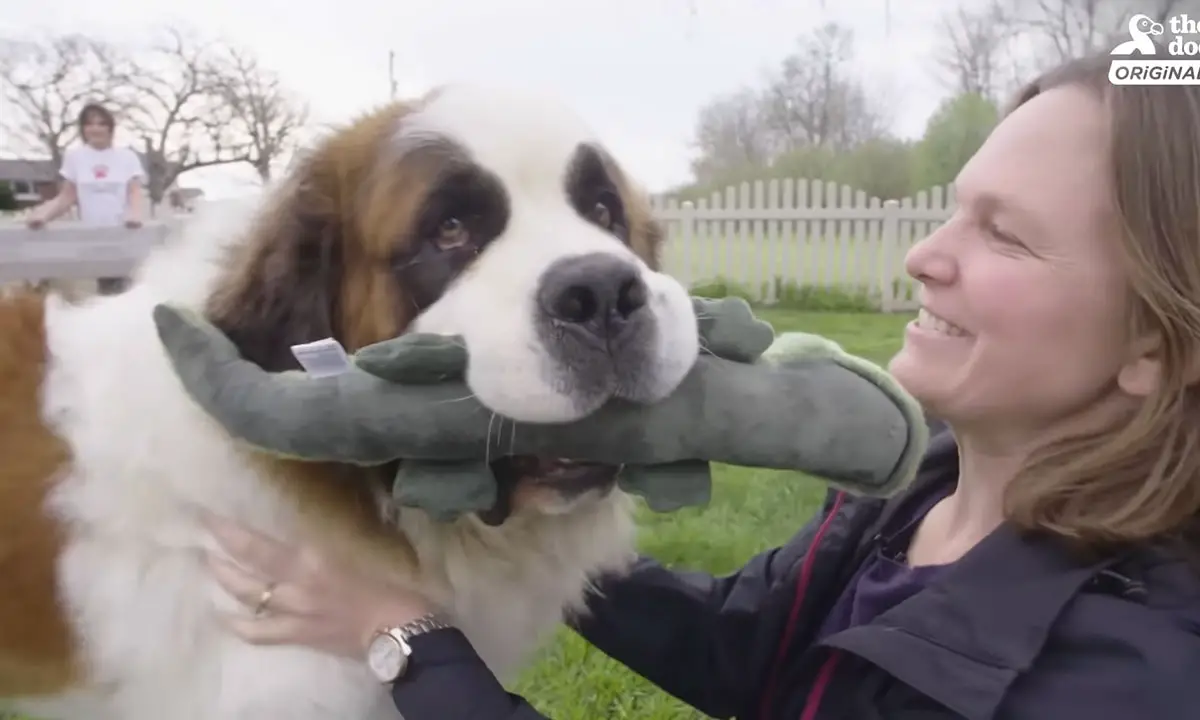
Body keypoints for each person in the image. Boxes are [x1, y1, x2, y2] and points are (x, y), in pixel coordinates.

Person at [201, 52, 1200, 719]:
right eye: (954, 210)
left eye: (1006, 236)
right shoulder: (920, 494)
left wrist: (403, 636)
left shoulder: (1128, 673)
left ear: (1154, 339)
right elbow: (743, 644)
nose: (924, 257)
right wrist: (525, 490)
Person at [26, 102, 146, 295]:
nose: (95, 128)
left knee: (126, 289)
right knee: (104, 290)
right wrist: (43, 215)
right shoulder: (75, 157)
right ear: (83, 129)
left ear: (110, 128)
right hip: (93, 235)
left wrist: (134, 215)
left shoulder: (127, 157)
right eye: (89, 124)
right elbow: (67, 196)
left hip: (122, 233)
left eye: (101, 123)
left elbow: (134, 192)